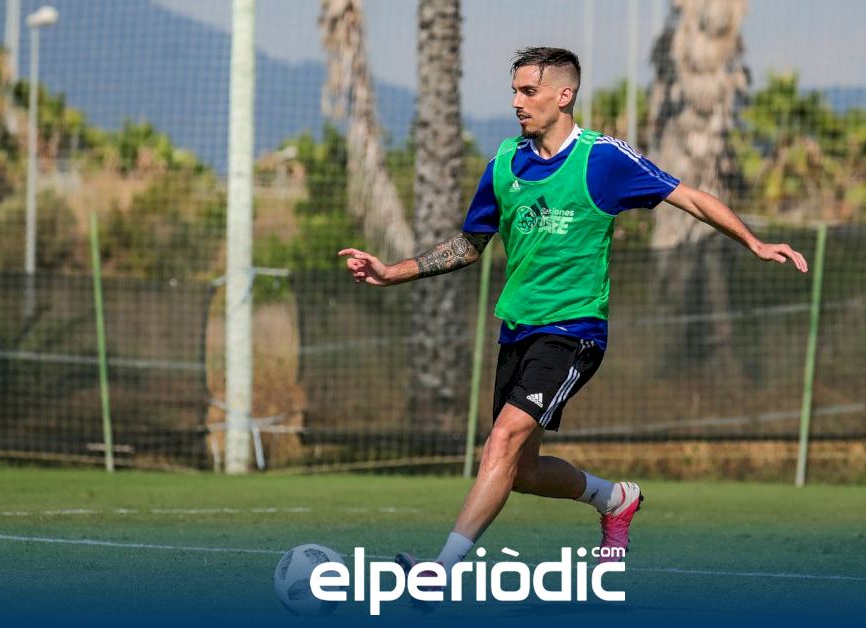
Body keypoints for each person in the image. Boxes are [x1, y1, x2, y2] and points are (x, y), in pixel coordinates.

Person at [338, 47, 808, 604]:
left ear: (564, 95)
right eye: (514, 91)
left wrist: (754, 241)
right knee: (521, 472)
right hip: (517, 330)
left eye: (528, 91)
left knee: (500, 442)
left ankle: (439, 570)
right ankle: (614, 499)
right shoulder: (505, 163)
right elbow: (470, 244)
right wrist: (392, 272)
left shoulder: (602, 159)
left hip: (574, 332)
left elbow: (689, 198)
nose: (517, 102)